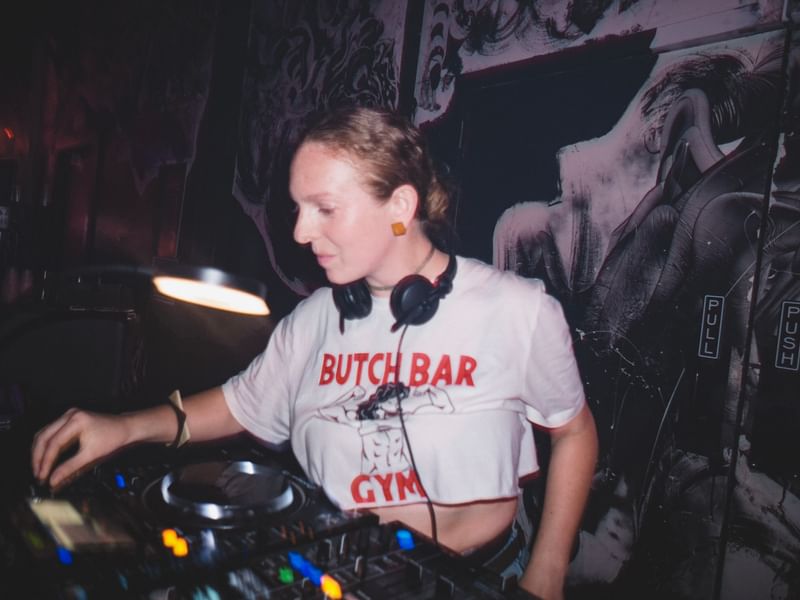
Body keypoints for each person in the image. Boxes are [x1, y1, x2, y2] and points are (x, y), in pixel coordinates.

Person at [31, 106, 598, 600]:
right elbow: (237, 404)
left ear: (400, 204)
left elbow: (573, 432)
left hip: (473, 576)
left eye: (324, 208)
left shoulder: (517, 311)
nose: (300, 232)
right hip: (335, 576)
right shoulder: (315, 319)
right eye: (297, 208)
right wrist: (124, 427)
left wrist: (547, 573)